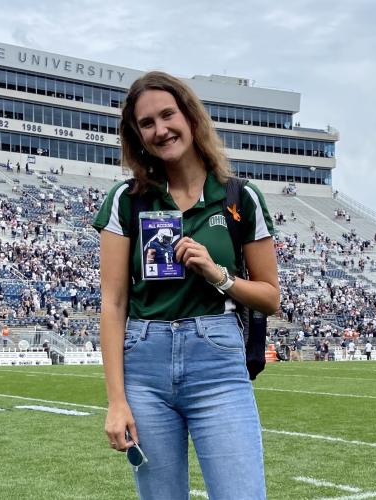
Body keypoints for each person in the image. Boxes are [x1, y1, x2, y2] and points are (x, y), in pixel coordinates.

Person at [93, 71, 279, 500]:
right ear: (137, 136)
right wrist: (116, 400)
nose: (161, 130)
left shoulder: (240, 197)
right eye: (147, 123)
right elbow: (113, 302)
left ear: (191, 118)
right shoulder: (126, 199)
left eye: (167, 115)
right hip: (145, 365)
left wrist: (218, 275)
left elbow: (271, 297)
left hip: (217, 361)